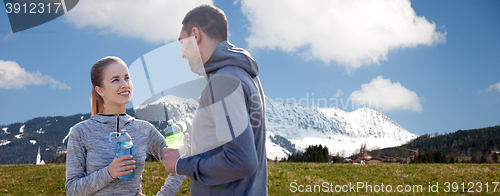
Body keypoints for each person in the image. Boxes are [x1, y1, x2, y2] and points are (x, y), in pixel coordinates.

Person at [162, 4, 267, 195]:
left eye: (182, 43)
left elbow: (241, 160)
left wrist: (182, 164)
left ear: (195, 35)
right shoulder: (244, 75)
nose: (182, 54)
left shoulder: (224, 81)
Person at [65, 56, 185, 196]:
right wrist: (109, 172)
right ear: (100, 90)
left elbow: (179, 165)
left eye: (127, 78)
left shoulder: (144, 129)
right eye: (115, 80)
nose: (125, 84)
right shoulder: (81, 132)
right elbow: (72, 190)